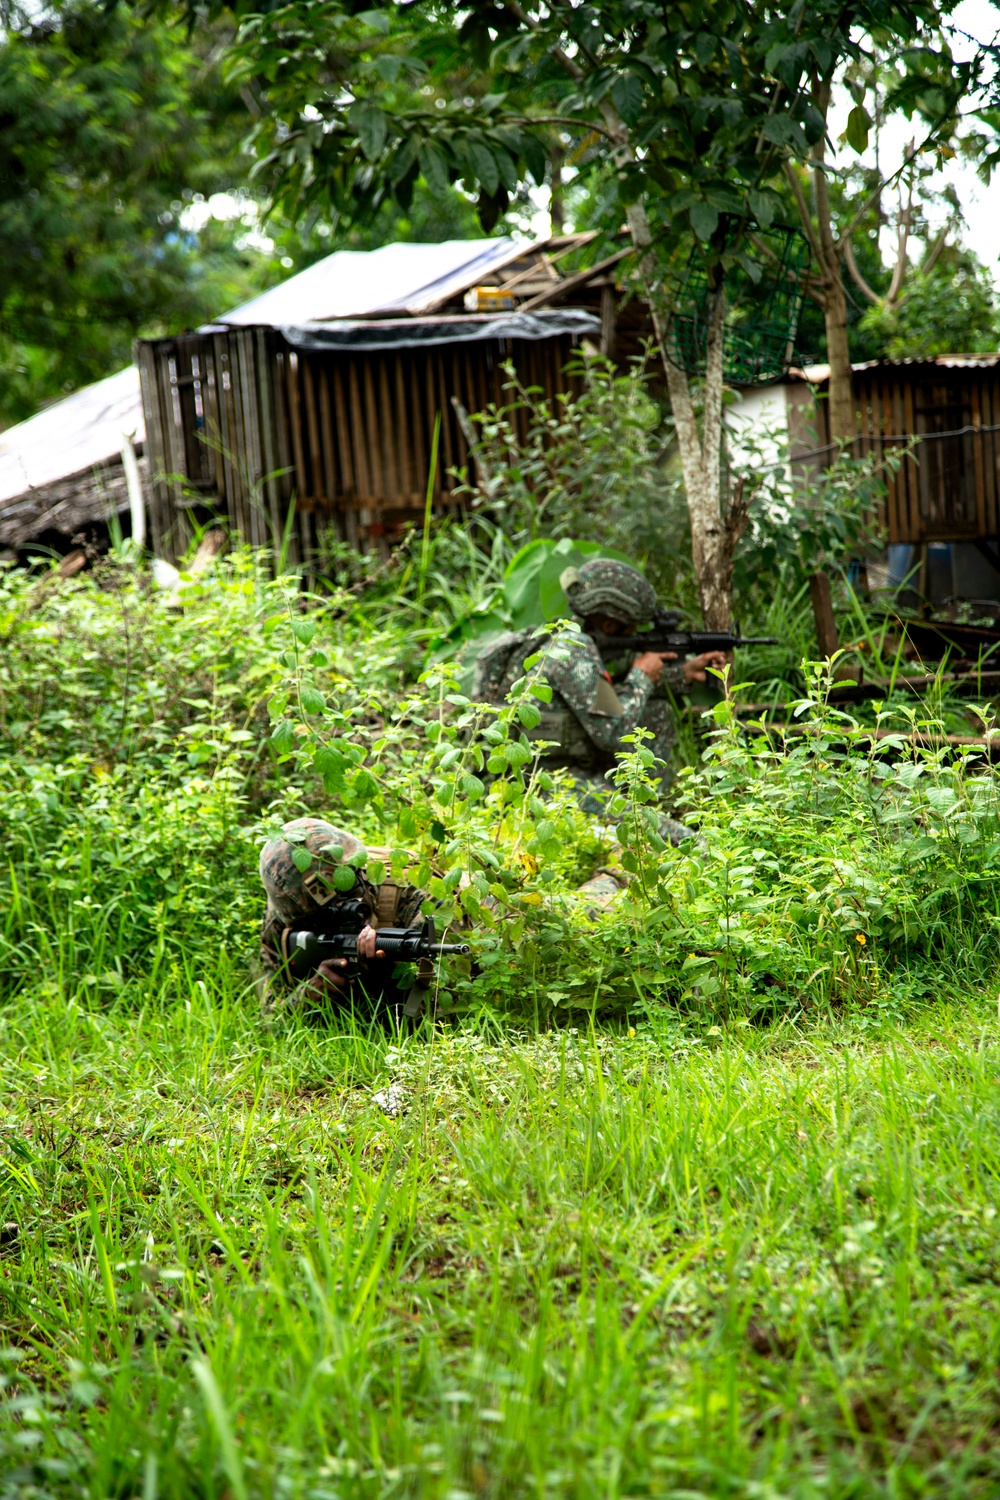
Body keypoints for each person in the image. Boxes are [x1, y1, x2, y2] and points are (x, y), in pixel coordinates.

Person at [259, 817, 628, 1021]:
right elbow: (270, 1016)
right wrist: (312, 995)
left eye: (353, 891)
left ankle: (619, 862)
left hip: (494, 915)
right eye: (328, 913)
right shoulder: (291, 912)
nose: (349, 905)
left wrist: (378, 976)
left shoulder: (412, 895)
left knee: (581, 920)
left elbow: (442, 1013)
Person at [472, 558, 725, 839]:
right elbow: (613, 732)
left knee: (657, 709)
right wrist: (641, 675)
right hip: (546, 787)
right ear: (608, 622)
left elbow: (596, 697)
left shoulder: (559, 638)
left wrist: (680, 675)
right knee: (686, 842)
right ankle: (634, 815)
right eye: (632, 627)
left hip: (540, 777)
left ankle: (641, 801)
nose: (635, 635)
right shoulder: (574, 651)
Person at [259, 818, 436, 1021]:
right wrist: (306, 997)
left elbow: (439, 1020)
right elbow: (269, 1019)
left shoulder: (417, 896)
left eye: (353, 894)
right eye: (321, 918)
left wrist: (384, 980)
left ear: (360, 874)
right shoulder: (293, 906)